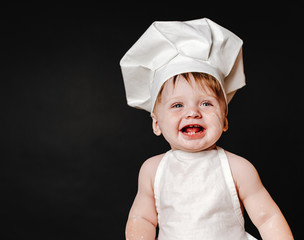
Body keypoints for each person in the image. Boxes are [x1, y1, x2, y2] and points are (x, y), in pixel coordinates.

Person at [120, 18, 293, 240]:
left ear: (224, 121)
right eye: (177, 105)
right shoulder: (152, 170)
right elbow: (142, 219)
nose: (192, 112)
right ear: (156, 123)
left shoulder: (238, 168)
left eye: (206, 103)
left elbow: (267, 217)